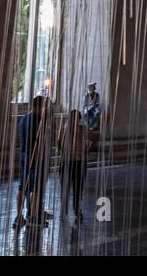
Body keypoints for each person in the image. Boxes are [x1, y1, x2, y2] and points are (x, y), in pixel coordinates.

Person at [15, 95, 54, 229]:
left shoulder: (23, 119)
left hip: (24, 156)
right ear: (39, 106)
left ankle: (19, 216)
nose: (46, 109)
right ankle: (34, 216)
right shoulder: (38, 120)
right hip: (35, 157)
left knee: (22, 187)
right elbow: (42, 139)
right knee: (36, 188)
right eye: (44, 106)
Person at [58, 109, 91, 221]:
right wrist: (85, 150)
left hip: (67, 162)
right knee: (78, 188)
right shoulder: (83, 129)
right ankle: (76, 210)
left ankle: (64, 209)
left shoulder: (64, 129)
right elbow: (90, 142)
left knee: (65, 186)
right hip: (79, 162)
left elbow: (59, 144)